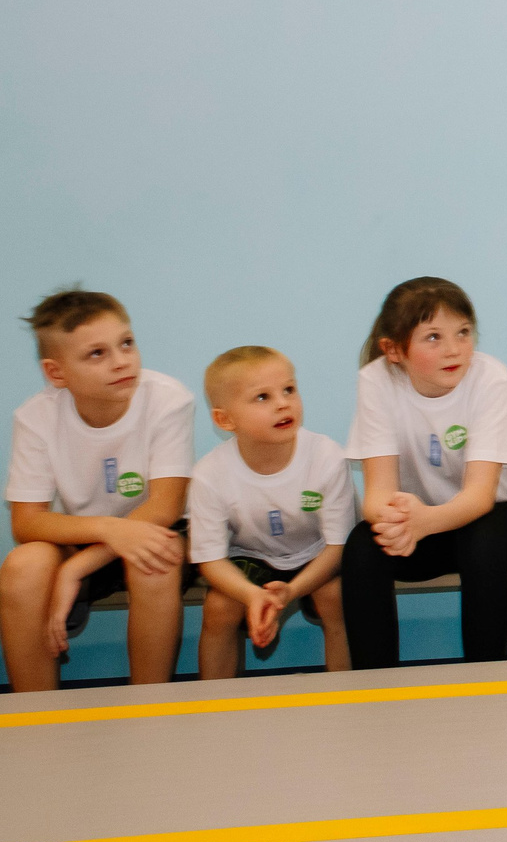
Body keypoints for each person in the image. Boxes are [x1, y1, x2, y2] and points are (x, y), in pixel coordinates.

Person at [344, 277, 507, 667]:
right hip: (419, 527)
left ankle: (484, 679)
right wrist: (395, 522)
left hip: (502, 515)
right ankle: (373, 688)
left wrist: (421, 524)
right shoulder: (376, 381)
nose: (454, 349)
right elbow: (376, 494)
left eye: (464, 333)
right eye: (433, 337)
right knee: (362, 548)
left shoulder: (490, 378)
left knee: (481, 539)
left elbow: (479, 497)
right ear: (393, 350)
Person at [2, 289, 193, 691]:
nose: (121, 360)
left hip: (156, 530)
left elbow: (166, 506)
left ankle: (150, 707)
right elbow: (26, 522)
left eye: (126, 343)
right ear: (56, 374)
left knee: (154, 556)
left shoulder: (167, 399)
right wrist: (108, 531)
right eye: (97, 353)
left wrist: (78, 567)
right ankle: (37, 717)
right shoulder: (36, 417)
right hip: (88, 535)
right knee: (23, 566)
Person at [187, 347, 354, 679]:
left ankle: (346, 691)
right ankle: (215, 708)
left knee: (335, 597)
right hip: (251, 559)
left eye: (289, 389)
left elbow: (338, 547)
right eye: (262, 397)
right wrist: (253, 596)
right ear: (224, 420)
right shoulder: (210, 473)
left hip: (317, 556)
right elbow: (210, 560)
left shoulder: (326, 457)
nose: (283, 403)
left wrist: (291, 591)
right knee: (219, 607)